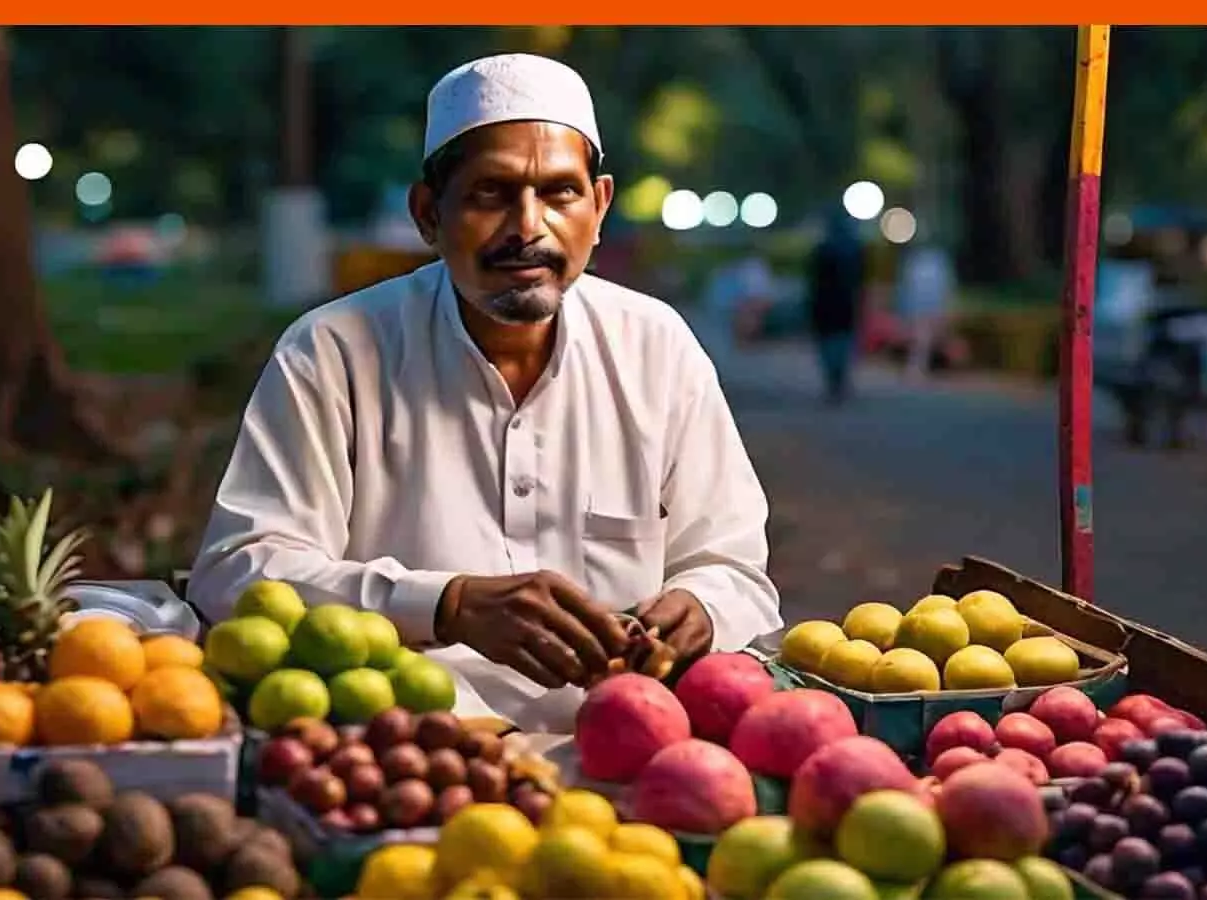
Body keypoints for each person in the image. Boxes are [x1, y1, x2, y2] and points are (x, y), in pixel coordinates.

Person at [188, 54, 781, 732]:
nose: (528, 227)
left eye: (560, 193)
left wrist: (700, 607)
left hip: (632, 752)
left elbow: (735, 569)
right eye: (490, 195)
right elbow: (238, 573)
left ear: (600, 206)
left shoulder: (657, 347)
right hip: (400, 754)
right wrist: (445, 605)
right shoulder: (333, 352)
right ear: (427, 214)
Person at [805, 211, 865, 403]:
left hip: (824, 305)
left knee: (829, 344)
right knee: (843, 342)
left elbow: (812, 280)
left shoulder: (822, 249)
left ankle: (833, 379)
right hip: (846, 304)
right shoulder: (854, 249)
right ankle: (839, 378)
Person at [895, 238, 957, 381]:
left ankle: (917, 368)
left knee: (922, 340)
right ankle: (916, 368)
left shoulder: (922, 262)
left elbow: (907, 287)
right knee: (921, 340)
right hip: (924, 308)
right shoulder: (932, 262)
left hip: (925, 308)